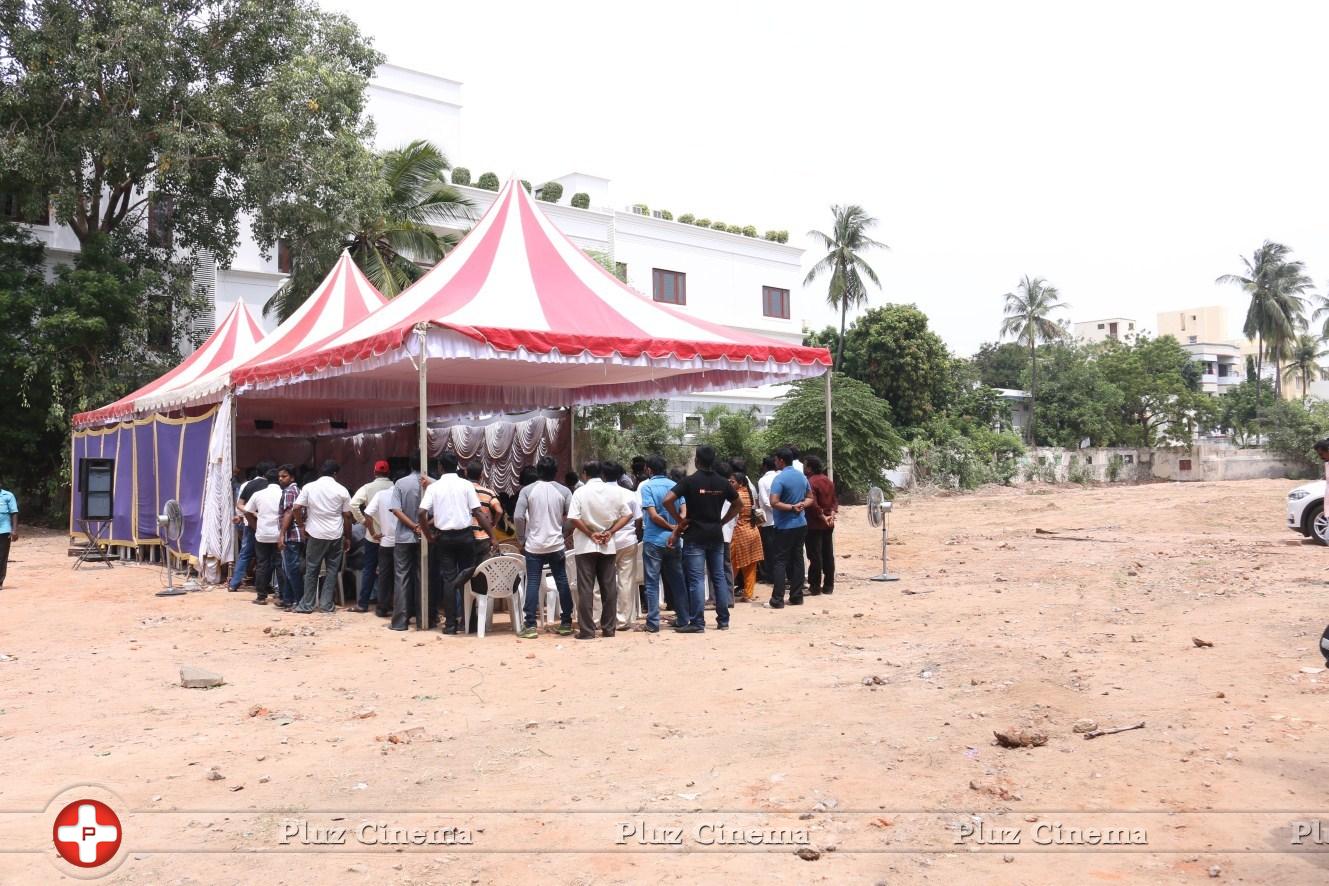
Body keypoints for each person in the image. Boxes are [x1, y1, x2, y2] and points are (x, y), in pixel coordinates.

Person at [419, 452, 498, 635]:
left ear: (439, 467)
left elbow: (421, 513)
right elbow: (478, 513)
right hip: (465, 537)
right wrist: (492, 536)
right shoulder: (466, 485)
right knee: (467, 579)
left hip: (444, 538)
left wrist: (428, 535)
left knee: (449, 580)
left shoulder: (434, 487)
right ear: (457, 466)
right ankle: (468, 623)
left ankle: (451, 625)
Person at [663, 445, 739, 633]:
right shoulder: (723, 482)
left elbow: (667, 500)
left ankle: (697, 622)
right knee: (719, 576)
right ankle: (723, 620)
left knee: (696, 579)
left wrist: (680, 521)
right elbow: (739, 504)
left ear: (697, 460)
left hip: (695, 535)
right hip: (716, 534)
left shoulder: (690, 481)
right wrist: (722, 521)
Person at [567, 461, 633, 639]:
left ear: (584, 474)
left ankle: (588, 630)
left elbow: (573, 517)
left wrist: (590, 534)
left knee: (586, 588)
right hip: (607, 544)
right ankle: (609, 628)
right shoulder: (614, 492)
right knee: (609, 588)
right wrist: (611, 531)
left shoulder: (580, 492)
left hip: (585, 544)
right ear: (602, 474)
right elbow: (628, 515)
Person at [514, 456, 575, 639]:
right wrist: (563, 533)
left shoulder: (527, 490)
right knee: (562, 581)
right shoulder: (564, 491)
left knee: (532, 582)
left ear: (538, 471)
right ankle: (565, 623)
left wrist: (521, 539)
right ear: (556, 472)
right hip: (556, 544)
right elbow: (572, 517)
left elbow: (518, 517)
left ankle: (530, 625)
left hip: (534, 545)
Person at [286, 460, 352, 614]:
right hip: (335, 535)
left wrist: (301, 525)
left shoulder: (309, 487)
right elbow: (347, 515)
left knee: (312, 569)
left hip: (315, 534)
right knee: (332, 570)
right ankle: (326, 605)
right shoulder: (341, 489)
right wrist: (347, 537)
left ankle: (307, 605)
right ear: (335, 474)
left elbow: (296, 508)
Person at [637, 456, 684, 632]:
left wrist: (670, 526)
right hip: (674, 539)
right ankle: (683, 617)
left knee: (652, 582)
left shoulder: (647, 487)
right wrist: (677, 528)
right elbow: (683, 511)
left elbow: (654, 516)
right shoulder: (676, 486)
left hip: (654, 540)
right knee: (677, 581)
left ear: (649, 470)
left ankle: (653, 622)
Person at [767, 447, 813, 609]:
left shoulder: (779, 479)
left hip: (784, 526)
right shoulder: (802, 477)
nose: (774, 462)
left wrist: (791, 507)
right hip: (801, 524)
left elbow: (774, 502)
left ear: (781, 460)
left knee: (780, 561)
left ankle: (777, 599)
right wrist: (801, 505)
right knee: (798, 559)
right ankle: (796, 596)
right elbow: (810, 498)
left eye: (776, 459)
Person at [387, 462, 428, 631]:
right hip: (425, 537)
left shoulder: (400, 483)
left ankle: (400, 621)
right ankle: (424, 619)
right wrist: (421, 527)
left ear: (410, 464)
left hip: (404, 537)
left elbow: (396, 510)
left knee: (402, 577)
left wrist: (412, 526)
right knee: (423, 577)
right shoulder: (432, 482)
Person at [348, 460, 393, 614]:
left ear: (374, 472)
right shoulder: (394, 487)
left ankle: (363, 604)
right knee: (389, 572)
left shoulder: (368, 488)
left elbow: (353, 504)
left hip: (373, 536)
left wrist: (364, 522)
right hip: (389, 536)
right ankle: (387, 603)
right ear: (388, 473)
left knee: (369, 569)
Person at [603, 461, 642, 630]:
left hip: (605, 541)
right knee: (626, 581)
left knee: (602, 581)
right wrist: (635, 534)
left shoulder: (599, 494)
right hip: (627, 541)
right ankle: (622, 620)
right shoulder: (630, 494)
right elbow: (638, 519)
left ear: (603, 475)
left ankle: (600, 618)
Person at [229, 462, 272, 591]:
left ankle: (234, 584)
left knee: (245, 554)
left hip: (249, 524)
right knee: (266, 557)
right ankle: (265, 585)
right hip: (267, 525)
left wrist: (249, 513)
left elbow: (239, 505)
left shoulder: (247, 485)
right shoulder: (270, 486)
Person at [243, 468, 283, 605]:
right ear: (279, 479)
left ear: (265, 479)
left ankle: (261, 596)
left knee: (262, 564)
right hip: (280, 535)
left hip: (262, 534)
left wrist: (255, 526)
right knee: (280, 565)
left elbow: (247, 511)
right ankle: (281, 594)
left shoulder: (258, 494)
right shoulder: (283, 493)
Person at [729, 463, 765, 601]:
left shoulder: (736, 496)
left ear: (740, 483)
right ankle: (748, 594)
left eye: (732, 482)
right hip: (753, 532)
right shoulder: (749, 494)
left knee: (733, 565)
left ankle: (727, 593)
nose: (730, 484)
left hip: (739, 533)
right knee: (750, 566)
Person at [362, 482, 398, 618]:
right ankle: (401, 607)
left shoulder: (381, 495)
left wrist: (372, 533)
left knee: (384, 576)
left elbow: (367, 514)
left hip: (386, 541)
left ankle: (382, 608)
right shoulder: (404, 493)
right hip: (403, 541)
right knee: (402, 576)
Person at [804, 455, 838, 596]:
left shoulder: (810, 482)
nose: (803, 468)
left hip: (814, 523)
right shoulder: (827, 480)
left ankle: (815, 586)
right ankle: (829, 585)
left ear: (810, 468)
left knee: (815, 555)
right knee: (828, 554)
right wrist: (832, 513)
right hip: (828, 523)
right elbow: (835, 499)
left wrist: (822, 516)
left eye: (805, 465)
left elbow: (813, 503)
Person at [274, 464, 303, 610]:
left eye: (284, 476)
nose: (280, 479)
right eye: (279, 476)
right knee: (289, 569)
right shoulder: (296, 490)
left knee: (292, 570)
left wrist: (281, 535)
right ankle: (288, 599)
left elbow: (289, 513)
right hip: (294, 535)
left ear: (292, 477)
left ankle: (298, 600)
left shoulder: (290, 491)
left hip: (291, 535)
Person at [466, 461, 504, 561]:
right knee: (482, 569)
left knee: (466, 569)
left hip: (466, 536)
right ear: (481, 475)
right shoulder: (489, 492)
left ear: (466, 472)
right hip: (484, 537)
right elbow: (499, 511)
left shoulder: (462, 490)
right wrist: (493, 524)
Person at [0, 480, 18, 590]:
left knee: (2, 557)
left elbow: (14, 512)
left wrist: (14, 530)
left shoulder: (8, 496)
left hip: (4, 531)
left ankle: (0, 581)